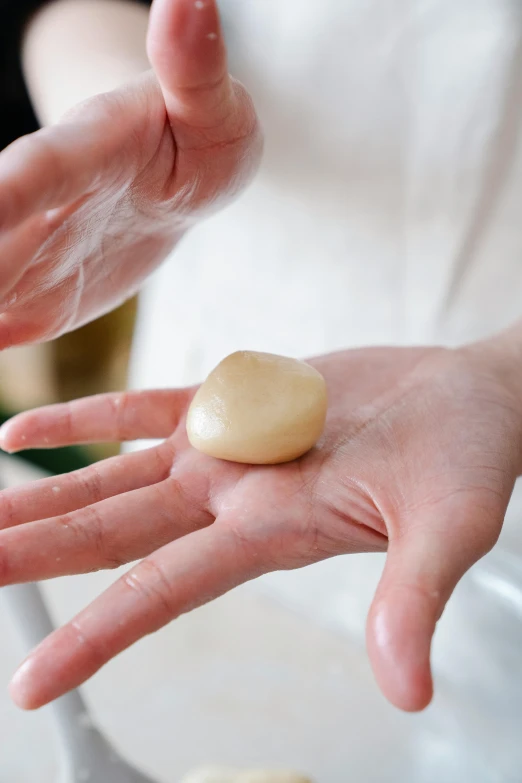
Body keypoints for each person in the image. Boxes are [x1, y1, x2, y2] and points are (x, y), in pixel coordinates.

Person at [0, 0, 521, 732]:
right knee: (196, 700)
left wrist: (506, 373)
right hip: (222, 293)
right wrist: (125, 111)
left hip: (494, 433)